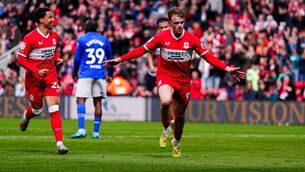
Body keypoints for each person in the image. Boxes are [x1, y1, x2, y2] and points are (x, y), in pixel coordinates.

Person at [104, 6, 246, 158]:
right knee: (165, 101)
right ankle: (166, 128)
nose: (179, 26)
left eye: (182, 23)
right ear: (171, 23)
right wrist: (119, 60)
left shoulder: (192, 39)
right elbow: (141, 50)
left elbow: (208, 56)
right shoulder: (161, 37)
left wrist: (226, 68)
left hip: (183, 81)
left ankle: (176, 142)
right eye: (176, 23)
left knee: (179, 117)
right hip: (165, 75)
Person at [17, 7, 68, 154]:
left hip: (50, 76)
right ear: (41, 20)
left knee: (54, 108)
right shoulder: (30, 38)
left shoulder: (55, 36)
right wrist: (36, 70)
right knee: (37, 110)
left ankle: (60, 144)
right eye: (50, 17)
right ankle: (26, 116)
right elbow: (21, 59)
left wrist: (56, 58)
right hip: (33, 79)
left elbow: (53, 51)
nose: (53, 19)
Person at [70, 19, 113, 139]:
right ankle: (96, 133)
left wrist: (74, 72)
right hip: (99, 74)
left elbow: (77, 59)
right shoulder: (104, 40)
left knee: (80, 100)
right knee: (98, 103)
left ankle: (81, 129)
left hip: (85, 73)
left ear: (85, 28)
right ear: (97, 28)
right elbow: (110, 58)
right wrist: (110, 74)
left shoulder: (82, 39)